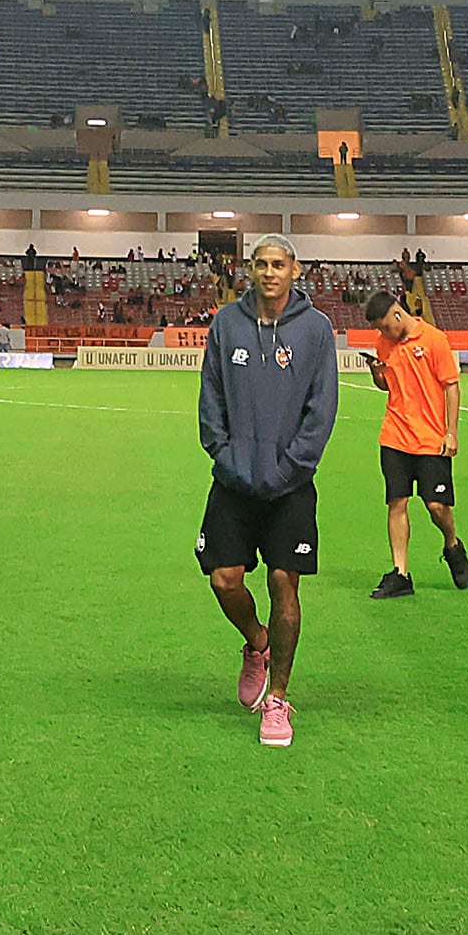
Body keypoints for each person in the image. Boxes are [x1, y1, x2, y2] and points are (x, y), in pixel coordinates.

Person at [194, 234, 340, 747]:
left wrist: (288, 470)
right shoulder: (226, 324)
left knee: (284, 581)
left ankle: (277, 699)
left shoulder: (316, 329)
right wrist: (225, 457)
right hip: (234, 478)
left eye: (278, 264)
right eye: (261, 264)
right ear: (250, 270)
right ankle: (257, 642)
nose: (270, 272)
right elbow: (210, 398)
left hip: (290, 483)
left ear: (295, 270)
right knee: (223, 580)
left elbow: (322, 410)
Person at [362, 290, 468, 597]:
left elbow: (451, 387)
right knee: (397, 502)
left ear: (397, 314)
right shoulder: (384, 343)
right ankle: (401, 573)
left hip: (430, 439)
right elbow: (386, 385)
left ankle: (452, 544)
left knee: (437, 507)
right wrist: (376, 372)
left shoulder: (435, 340)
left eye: (385, 326)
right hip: (395, 435)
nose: (383, 333)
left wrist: (451, 432)